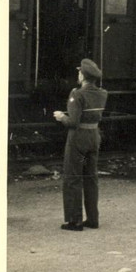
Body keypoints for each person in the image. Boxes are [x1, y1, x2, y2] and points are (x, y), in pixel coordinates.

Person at [53, 58, 108, 230]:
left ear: (83, 76)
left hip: (78, 139)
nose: (78, 75)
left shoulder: (77, 94)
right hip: (94, 136)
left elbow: (73, 122)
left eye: (79, 73)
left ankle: (74, 221)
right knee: (91, 178)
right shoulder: (102, 93)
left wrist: (61, 117)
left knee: (73, 177)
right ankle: (93, 219)